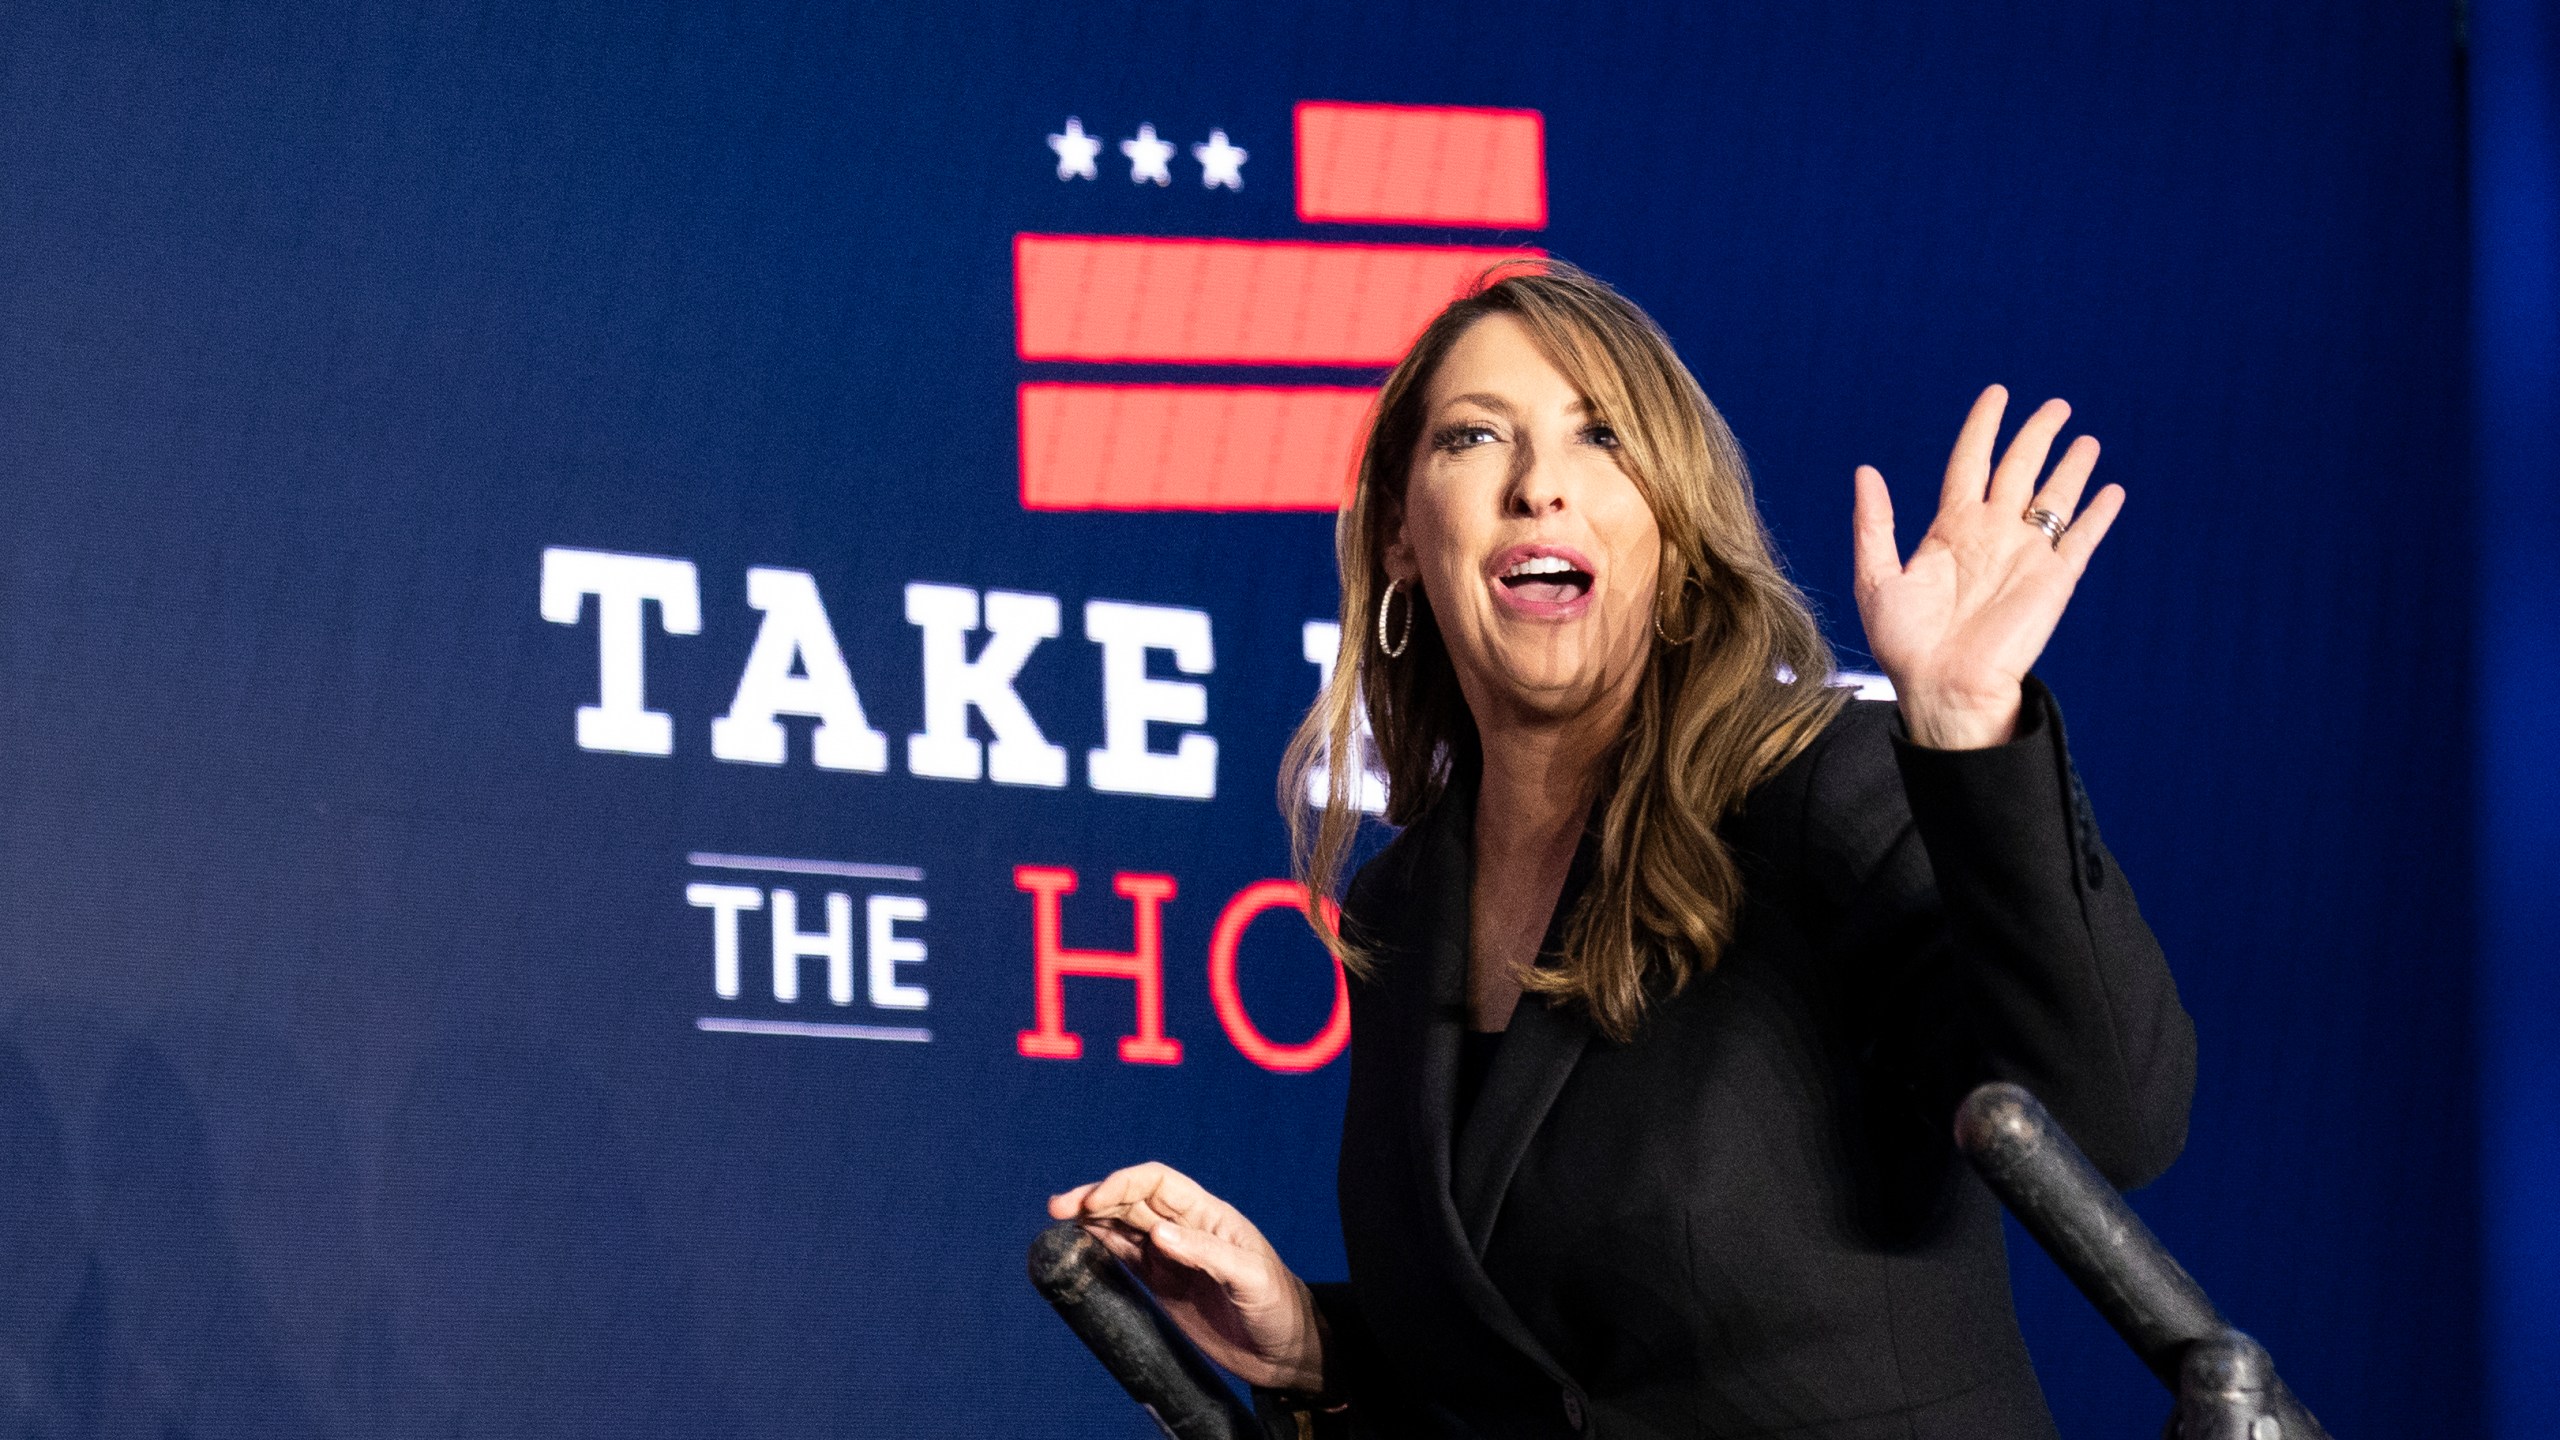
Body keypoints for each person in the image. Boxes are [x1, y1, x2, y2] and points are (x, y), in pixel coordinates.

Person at [1047, 261, 2195, 1440]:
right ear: (1399, 535)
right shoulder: (1402, 904)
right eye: (1474, 438)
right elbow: (1552, 1383)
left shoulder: (1815, 790)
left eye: (1601, 436)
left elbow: (2107, 1117)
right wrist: (1310, 1342)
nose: (1539, 486)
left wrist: (1966, 732)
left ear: (1674, 527)